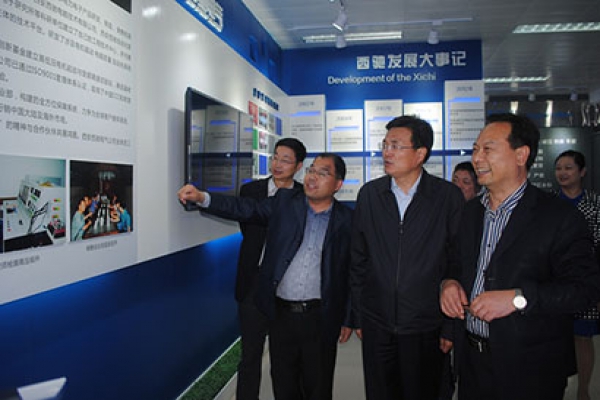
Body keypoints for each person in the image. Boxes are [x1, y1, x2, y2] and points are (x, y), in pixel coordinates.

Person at [440, 113, 600, 400]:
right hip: (473, 363)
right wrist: (448, 283)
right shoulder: (470, 213)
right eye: (475, 149)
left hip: (532, 368)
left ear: (521, 155)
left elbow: (584, 290)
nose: (477, 158)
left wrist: (517, 299)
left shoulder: (559, 216)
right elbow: (454, 263)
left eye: (487, 149)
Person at [177, 153, 354, 400]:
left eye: (322, 173)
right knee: (283, 383)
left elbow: (351, 273)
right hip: (281, 316)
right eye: (311, 170)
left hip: (320, 317)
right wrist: (203, 198)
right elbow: (245, 208)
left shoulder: (348, 220)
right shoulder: (285, 202)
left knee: (318, 386)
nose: (313, 177)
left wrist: (349, 317)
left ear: (338, 184)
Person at [350, 115, 465, 400]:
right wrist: (359, 316)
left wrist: (450, 326)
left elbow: (457, 261)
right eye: (385, 145)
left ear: (420, 154)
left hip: (426, 324)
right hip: (377, 322)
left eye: (396, 146)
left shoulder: (447, 197)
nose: (386, 152)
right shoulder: (370, 195)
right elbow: (358, 260)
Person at [235, 138, 306, 400]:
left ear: (298, 166)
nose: (277, 164)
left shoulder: (303, 195)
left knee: (285, 357)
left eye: (286, 160)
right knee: (250, 355)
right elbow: (248, 229)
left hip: (287, 287)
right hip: (253, 283)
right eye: (275, 157)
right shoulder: (250, 190)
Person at [554, 149, 600, 400]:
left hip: (585, 280)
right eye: (559, 168)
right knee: (556, 337)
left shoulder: (595, 204)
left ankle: (583, 389)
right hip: (555, 282)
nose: (562, 173)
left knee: (583, 336)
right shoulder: (549, 203)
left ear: (582, 172)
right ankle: (556, 386)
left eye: (568, 168)